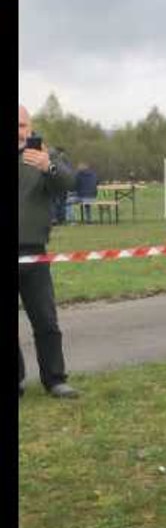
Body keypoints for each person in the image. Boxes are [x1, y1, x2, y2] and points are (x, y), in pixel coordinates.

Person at [18, 104, 80, 399]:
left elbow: (69, 182)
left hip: (33, 252)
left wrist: (48, 166)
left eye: (20, 125)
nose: (17, 131)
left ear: (29, 126)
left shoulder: (47, 154)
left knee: (45, 319)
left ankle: (55, 379)